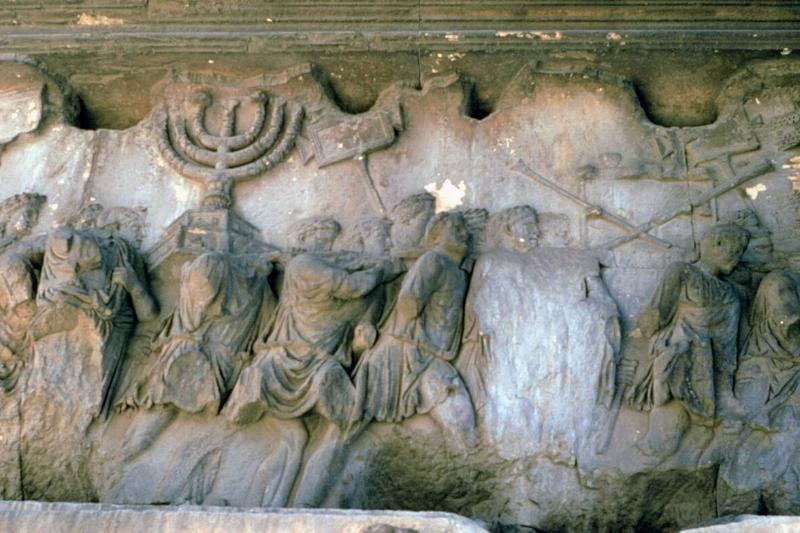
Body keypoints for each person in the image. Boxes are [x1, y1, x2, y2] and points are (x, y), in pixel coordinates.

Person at [224, 217, 402, 506]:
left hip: (314, 361)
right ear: (304, 238)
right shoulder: (303, 265)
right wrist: (380, 270)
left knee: (302, 438)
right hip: (288, 362)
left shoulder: (321, 266)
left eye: (330, 237)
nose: (327, 242)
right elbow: (350, 286)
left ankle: (284, 505)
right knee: (310, 433)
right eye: (321, 235)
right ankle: (281, 505)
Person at [352, 212, 477, 447]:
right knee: (460, 419)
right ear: (436, 236)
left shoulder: (456, 271)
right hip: (407, 354)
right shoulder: (433, 261)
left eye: (465, 230)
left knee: (459, 422)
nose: (465, 234)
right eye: (456, 228)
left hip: (428, 354)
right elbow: (408, 305)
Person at [628, 223, 750, 456]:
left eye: (740, 254)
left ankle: (718, 400)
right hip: (680, 351)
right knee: (663, 440)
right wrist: (644, 331)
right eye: (734, 251)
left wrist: (724, 384)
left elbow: (728, 346)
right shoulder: (682, 272)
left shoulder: (731, 294)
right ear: (717, 244)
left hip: (712, 366)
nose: (736, 259)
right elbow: (658, 315)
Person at [456, 205, 540, 414]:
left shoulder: (528, 262)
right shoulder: (493, 260)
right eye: (528, 226)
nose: (536, 232)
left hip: (521, 340)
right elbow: (479, 304)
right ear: (509, 230)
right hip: (491, 342)